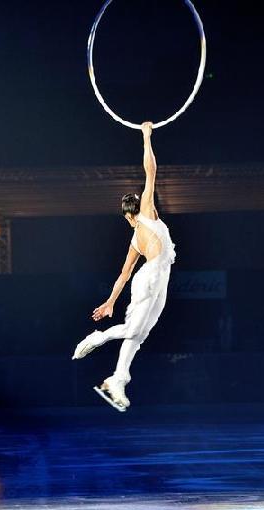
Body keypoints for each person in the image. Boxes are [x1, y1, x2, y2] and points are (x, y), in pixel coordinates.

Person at [72, 122, 176, 411]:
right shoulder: (145, 218)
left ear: (126, 216)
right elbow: (150, 171)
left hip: (161, 277)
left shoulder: (143, 221)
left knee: (140, 334)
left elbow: (123, 275)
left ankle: (117, 379)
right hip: (150, 277)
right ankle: (100, 338)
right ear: (135, 213)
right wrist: (146, 136)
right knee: (132, 330)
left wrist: (110, 302)